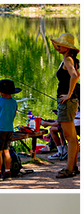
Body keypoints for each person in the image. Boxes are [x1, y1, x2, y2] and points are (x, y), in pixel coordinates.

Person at [51, 33, 80, 178]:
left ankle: (69, 169)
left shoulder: (68, 59)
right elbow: (77, 74)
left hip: (67, 102)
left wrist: (69, 94)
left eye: (60, 44)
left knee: (70, 137)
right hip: (71, 102)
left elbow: (75, 76)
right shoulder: (71, 59)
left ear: (67, 47)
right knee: (73, 137)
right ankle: (73, 166)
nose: (57, 47)